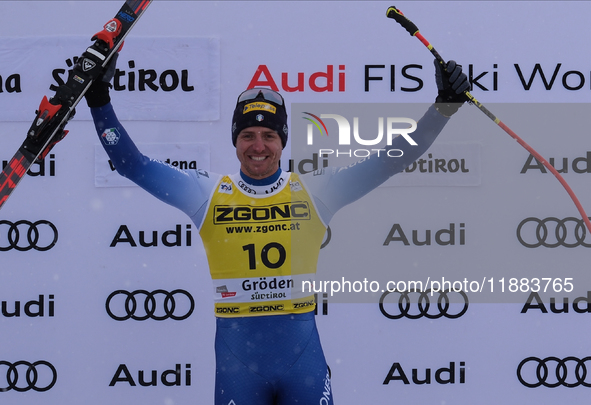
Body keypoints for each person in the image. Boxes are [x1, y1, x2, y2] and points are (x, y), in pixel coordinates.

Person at [85, 52, 469, 404]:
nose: (258, 146)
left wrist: (443, 109)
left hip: (302, 363)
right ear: (235, 140)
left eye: (269, 135)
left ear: (282, 141)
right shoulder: (207, 193)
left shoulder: (317, 190)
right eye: (247, 135)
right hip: (238, 366)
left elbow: (393, 159)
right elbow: (133, 164)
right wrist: (99, 101)